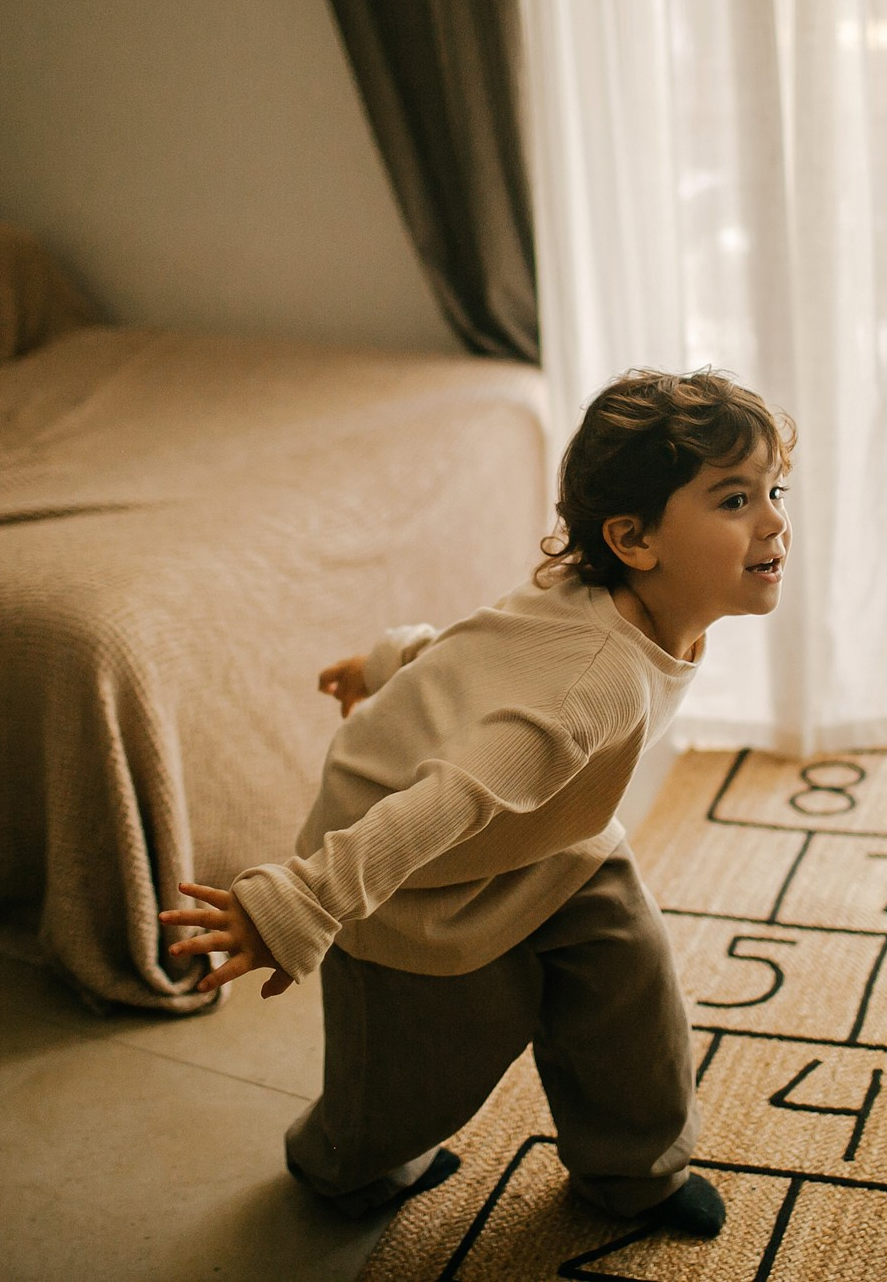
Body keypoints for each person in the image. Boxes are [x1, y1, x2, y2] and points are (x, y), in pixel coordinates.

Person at [159, 367, 795, 1240]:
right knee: (425, 1063)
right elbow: (452, 799)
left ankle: (633, 1170)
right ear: (635, 538)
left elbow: (491, 644)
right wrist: (302, 901)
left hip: (544, 830)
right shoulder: (594, 685)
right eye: (734, 500)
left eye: (772, 491)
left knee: (630, 981)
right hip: (411, 859)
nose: (773, 522)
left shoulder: (613, 603)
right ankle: (346, 1164)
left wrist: (393, 663)